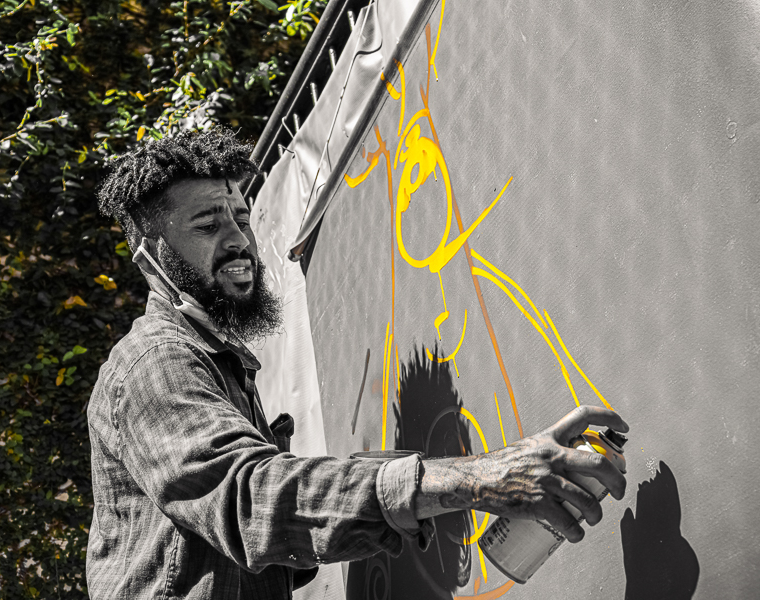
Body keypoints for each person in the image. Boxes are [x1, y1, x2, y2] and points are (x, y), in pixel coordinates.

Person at [88, 129, 629, 599]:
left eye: (242, 219)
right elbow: (251, 501)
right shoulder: (155, 363)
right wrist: (477, 479)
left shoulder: (219, 362)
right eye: (208, 226)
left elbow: (272, 543)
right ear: (151, 255)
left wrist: (448, 484)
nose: (238, 241)